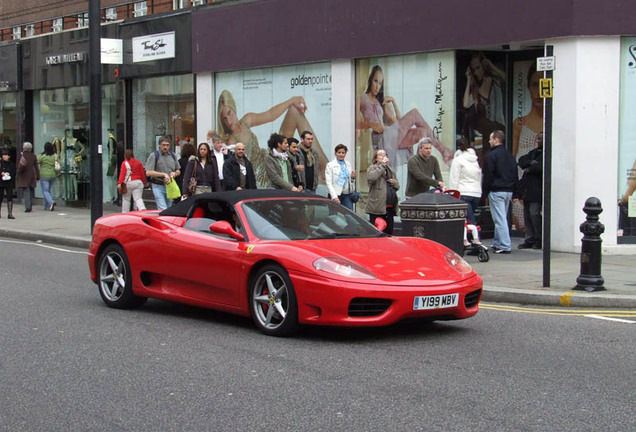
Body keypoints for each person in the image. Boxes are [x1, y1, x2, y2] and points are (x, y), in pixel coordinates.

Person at [217, 90, 328, 187]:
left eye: (229, 113)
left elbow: (270, 115)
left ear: (234, 109)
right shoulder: (231, 140)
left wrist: (291, 100)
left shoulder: (246, 120)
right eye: (224, 118)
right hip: (262, 177)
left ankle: (325, 169)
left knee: (294, 110)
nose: (228, 121)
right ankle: (322, 175)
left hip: (269, 159)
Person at [357, 65, 452, 167]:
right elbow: (355, 123)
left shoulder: (381, 102)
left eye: (380, 83)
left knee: (422, 132)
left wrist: (394, 102)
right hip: (381, 140)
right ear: (370, 80)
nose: (377, 86)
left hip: (390, 137)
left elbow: (397, 122)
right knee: (414, 113)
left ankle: (420, 168)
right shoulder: (362, 98)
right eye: (375, 81)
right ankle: (443, 150)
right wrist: (372, 125)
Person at [483, 130, 518, 254]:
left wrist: (485, 191)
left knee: (499, 218)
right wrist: (515, 192)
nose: (489, 141)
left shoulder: (492, 155)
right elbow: (515, 174)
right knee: (502, 217)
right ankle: (497, 242)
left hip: (496, 190)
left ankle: (504, 244)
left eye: (490, 139)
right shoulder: (510, 155)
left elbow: (488, 175)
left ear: (496, 140)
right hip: (508, 190)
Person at [462, 52, 506, 147]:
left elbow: (506, 78)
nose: (476, 73)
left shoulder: (492, 79)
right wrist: (469, 80)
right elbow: (466, 104)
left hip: (497, 126)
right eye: (473, 70)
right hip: (486, 130)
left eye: (478, 68)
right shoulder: (476, 87)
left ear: (484, 66)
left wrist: (491, 66)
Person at [516, 132, 543, 249]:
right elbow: (522, 161)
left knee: (534, 214)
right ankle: (530, 238)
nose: (538, 140)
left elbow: (540, 167)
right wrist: (531, 163)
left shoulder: (544, 154)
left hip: (537, 190)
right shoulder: (534, 153)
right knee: (527, 215)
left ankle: (539, 238)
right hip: (528, 190)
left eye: (541, 139)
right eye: (538, 138)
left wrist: (530, 167)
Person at [448, 137, 482, 225]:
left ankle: (476, 237)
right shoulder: (475, 160)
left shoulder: (457, 160)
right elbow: (479, 177)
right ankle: (470, 237)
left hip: (463, 193)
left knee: (469, 221)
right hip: (476, 194)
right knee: (469, 218)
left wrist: (452, 195)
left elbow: (454, 179)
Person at [365, 149, 400, 234]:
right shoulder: (372, 168)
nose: (383, 156)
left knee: (389, 231)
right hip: (377, 207)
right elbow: (372, 178)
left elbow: (397, 186)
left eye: (385, 154)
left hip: (389, 208)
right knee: (378, 232)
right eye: (380, 155)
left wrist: (394, 183)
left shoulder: (390, 170)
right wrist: (382, 165)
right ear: (376, 158)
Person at [145, 136, 180, 210]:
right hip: (158, 185)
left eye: (167, 145)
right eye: (163, 145)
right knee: (163, 208)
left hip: (170, 185)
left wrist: (175, 173)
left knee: (169, 209)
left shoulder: (173, 155)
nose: (165, 147)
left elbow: (178, 170)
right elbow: (148, 172)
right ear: (160, 145)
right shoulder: (154, 155)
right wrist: (163, 174)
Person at [325, 143, 357, 210]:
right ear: (335, 153)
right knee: (334, 215)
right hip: (336, 194)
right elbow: (329, 183)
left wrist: (352, 177)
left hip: (347, 194)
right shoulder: (330, 165)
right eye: (339, 152)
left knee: (349, 214)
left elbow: (350, 181)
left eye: (343, 153)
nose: (341, 154)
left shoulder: (347, 164)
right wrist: (334, 197)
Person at [118, 149, 147, 213]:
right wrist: (144, 182)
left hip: (128, 183)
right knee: (138, 198)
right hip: (138, 182)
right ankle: (142, 209)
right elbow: (142, 174)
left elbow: (122, 174)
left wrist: (120, 183)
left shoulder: (124, 163)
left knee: (126, 199)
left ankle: (125, 213)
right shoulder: (138, 162)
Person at [17, 142, 40, 213]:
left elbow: (20, 166)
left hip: (24, 175)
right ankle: (30, 205)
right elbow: (36, 167)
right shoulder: (33, 156)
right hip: (32, 175)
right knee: (30, 190)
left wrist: (18, 172)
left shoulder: (22, 155)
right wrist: (38, 176)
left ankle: (27, 207)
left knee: (26, 191)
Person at [37, 141, 58, 211]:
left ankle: (51, 202)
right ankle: (46, 206)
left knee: (45, 191)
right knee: (48, 190)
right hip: (52, 175)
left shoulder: (42, 156)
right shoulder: (55, 156)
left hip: (44, 175)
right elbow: (59, 162)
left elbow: (36, 161)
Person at [0, 148, 16, 219]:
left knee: (9, 197)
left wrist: (9, 174)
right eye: (3, 155)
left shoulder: (11, 164)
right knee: (0, 197)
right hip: (1, 182)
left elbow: (14, 173)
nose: (4, 156)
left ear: (9, 156)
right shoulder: (0, 163)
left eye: (6, 155)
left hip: (9, 182)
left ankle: (10, 213)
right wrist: (2, 173)